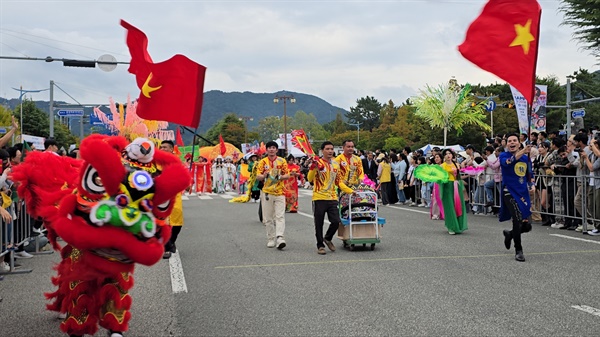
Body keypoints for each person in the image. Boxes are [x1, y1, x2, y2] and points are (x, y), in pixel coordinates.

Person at [307, 141, 354, 255]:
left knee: (336, 221)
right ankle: (320, 245)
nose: (330, 151)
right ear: (322, 150)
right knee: (319, 223)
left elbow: (339, 182)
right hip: (319, 197)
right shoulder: (318, 163)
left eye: (331, 149)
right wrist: (313, 167)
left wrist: (351, 191)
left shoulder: (335, 164)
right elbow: (310, 179)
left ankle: (327, 238)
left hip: (332, 197)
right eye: (327, 149)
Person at [500, 134, 535, 262]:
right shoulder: (503, 156)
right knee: (517, 218)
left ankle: (510, 234)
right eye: (509, 141)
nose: (512, 143)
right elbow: (509, 162)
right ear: (507, 144)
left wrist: (532, 184)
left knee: (526, 226)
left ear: (519, 143)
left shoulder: (526, 158)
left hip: (523, 194)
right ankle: (518, 250)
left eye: (514, 140)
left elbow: (530, 173)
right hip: (509, 192)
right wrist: (522, 152)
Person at [255, 141, 290, 250]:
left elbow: (287, 175)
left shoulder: (282, 161)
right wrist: (264, 175)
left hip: (280, 192)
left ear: (276, 149)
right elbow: (258, 176)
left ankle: (280, 237)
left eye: (273, 148)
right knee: (268, 218)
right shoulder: (262, 162)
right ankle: (271, 238)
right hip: (267, 192)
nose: (271, 149)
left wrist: (279, 177)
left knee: (280, 216)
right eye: (269, 148)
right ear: (267, 149)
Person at [159, 140, 184, 259]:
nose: (162, 149)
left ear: (171, 149)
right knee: (163, 221)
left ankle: (172, 241)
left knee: (177, 219)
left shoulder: (176, 161)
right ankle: (166, 247)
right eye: (161, 147)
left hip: (174, 193)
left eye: (165, 147)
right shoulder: (156, 162)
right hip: (161, 194)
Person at [439, 149, 468, 235]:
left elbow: (458, 176)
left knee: (458, 206)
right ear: (444, 156)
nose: (448, 155)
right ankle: (451, 226)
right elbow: (440, 178)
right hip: (447, 186)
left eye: (450, 153)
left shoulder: (457, 164)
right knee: (449, 206)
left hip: (456, 186)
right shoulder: (442, 166)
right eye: (446, 154)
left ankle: (458, 225)